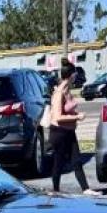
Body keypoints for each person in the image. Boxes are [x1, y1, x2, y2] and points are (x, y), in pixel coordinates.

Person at [46, 60, 88, 193]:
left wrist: (74, 113)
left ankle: (86, 189)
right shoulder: (59, 93)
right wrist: (77, 117)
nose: (76, 77)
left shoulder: (67, 90)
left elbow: (66, 110)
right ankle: (55, 190)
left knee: (77, 161)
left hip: (69, 132)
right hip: (59, 133)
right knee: (58, 163)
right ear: (71, 76)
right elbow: (58, 117)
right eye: (75, 74)